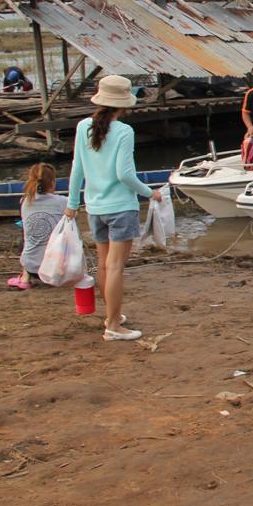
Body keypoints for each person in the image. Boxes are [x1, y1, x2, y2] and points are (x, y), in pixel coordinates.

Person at [64, 75, 162, 342]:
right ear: (123, 105)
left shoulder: (83, 126)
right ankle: (113, 326)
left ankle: (113, 316)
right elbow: (125, 174)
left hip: (94, 207)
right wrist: (149, 192)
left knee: (105, 266)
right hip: (120, 207)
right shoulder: (124, 131)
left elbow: (77, 168)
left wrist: (72, 203)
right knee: (116, 266)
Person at [8, 163, 66, 290]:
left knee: (26, 234)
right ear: (52, 183)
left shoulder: (25, 201)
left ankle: (25, 278)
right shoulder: (62, 202)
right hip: (55, 269)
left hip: (31, 266)